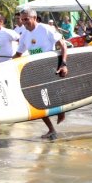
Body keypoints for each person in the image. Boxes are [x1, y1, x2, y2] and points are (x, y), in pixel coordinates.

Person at [15, 8, 68, 139]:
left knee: (52, 97)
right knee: (37, 100)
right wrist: (4, 67)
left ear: (34, 18)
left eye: (26, 19)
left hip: (49, 67)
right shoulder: (24, 35)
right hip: (35, 70)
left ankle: (61, 110)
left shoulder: (46, 29)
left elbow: (63, 45)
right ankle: (51, 129)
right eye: (22, 19)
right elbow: (18, 54)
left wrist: (64, 64)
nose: (23, 22)